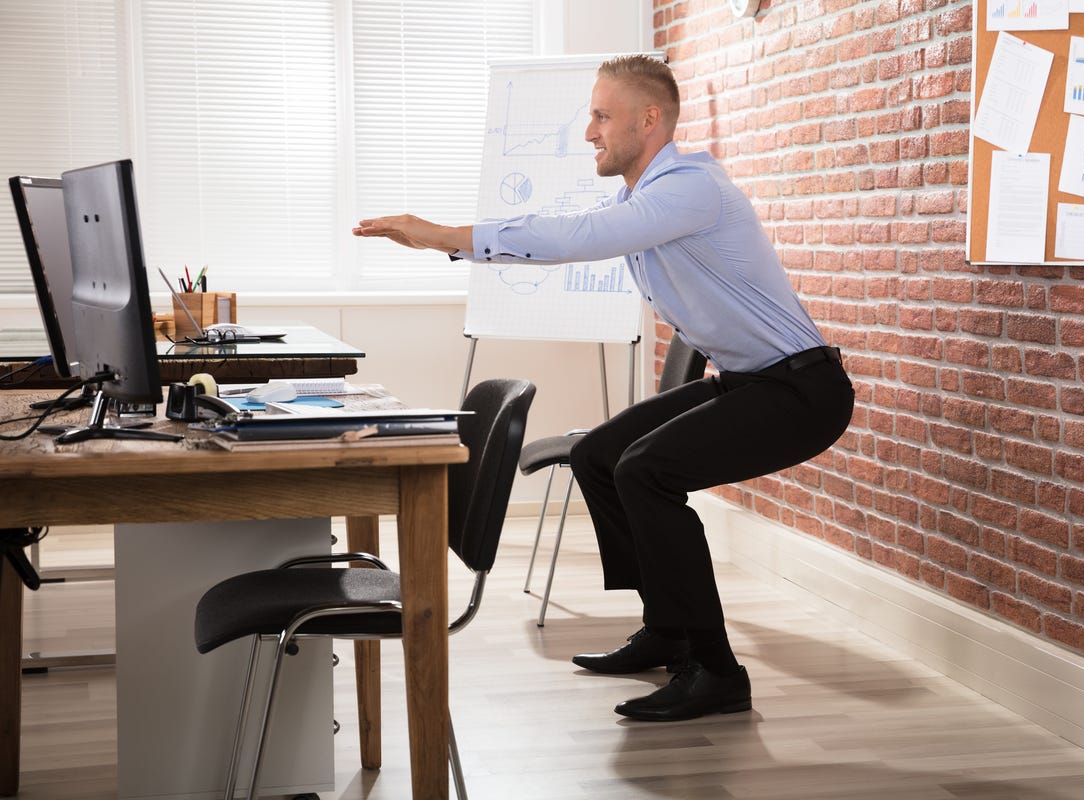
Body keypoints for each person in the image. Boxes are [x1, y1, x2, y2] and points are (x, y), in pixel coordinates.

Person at [352, 54, 855, 722]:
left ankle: (716, 670)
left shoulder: (691, 190)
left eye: (600, 115)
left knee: (647, 472)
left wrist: (444, 236)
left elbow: (578, 237)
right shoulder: (645, 199)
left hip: (803, 391)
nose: (588, 132)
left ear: (649, 120)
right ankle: (668, 628)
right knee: (600, 456)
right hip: (747, 382)